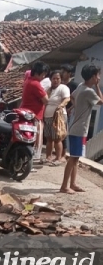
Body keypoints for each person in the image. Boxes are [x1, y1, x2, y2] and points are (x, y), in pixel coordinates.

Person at [61, 64, 103, 194]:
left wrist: (76, 107)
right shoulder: (89, 91)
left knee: (76, 158)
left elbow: (72, 97)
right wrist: (97, 86)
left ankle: (73, 183)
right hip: (79, 129)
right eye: (97, 75)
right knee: (73, 158)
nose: (99, 78)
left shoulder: (80, 87)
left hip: (77, 128)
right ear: (92, 77)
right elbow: (101, 101)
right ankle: (64, 186)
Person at [20, 62, 50, 166]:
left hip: (27, 113)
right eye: (43, 74)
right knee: (33, 140)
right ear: (38, 73)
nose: (44, 76)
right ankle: (29, 162)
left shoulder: (28, 80)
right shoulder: (36, 84)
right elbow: (46, 100)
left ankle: (26, 161)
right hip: (34, 115)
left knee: (28, 139)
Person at [43, 70, 70, 165]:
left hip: (59, 117)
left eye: (57, 78)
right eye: (54, 78)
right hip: (47, 117)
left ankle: (58, 158)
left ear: (60, 79)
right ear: (50, 79)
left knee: (57, 138)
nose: (56, 80)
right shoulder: (49, 90)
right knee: (49, 138)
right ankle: (48, 157)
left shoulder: (63, 88)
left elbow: (67, 98)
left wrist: (61, 106)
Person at [61, 64, 78, 155]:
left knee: (64, 132)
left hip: (67, 112)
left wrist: (70, 108)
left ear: (69, 73)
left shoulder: (74, 85)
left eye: (64, 72)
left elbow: (76, 100)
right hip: (58, 111)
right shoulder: (60, 84)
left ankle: (63, 153)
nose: (62, 73)